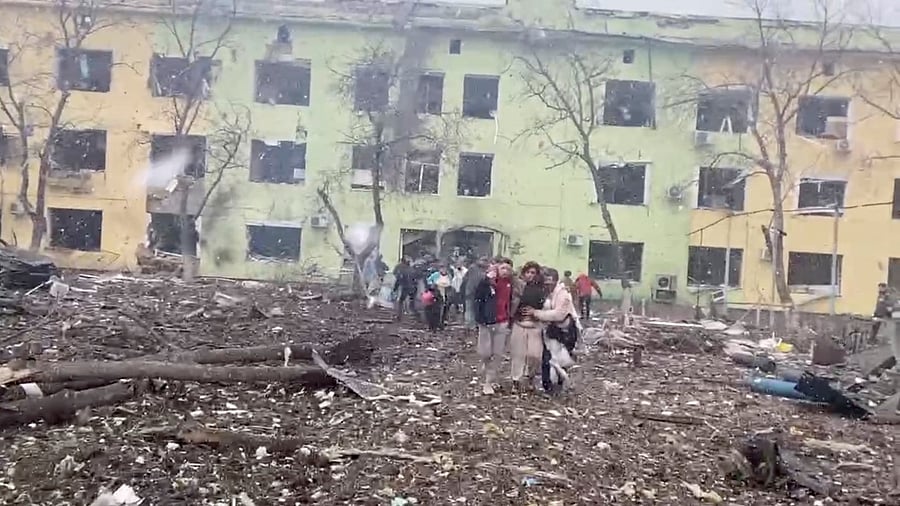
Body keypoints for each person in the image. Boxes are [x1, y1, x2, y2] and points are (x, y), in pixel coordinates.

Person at [530, 268, 581, 394]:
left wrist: (536, 313)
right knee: (549, 358)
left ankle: (557, 385)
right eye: (545, 281)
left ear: (556, 280)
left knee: (558, 359)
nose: (547, 284)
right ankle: (550, 386)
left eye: (550, 281)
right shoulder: (546, 292)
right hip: (550, 330)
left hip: (563, 331)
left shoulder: (563, 294)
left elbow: (559, 314)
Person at [473, 259, 514, 395]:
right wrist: (479, 319)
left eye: (508, 269)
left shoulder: (511, 284)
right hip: (487, 322)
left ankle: (488, 382)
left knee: (497, 354)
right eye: (503, 268)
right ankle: (485, 364)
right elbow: (478, 298)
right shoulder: (487, 282)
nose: (505, 272)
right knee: (485, 352)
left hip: (503, 321)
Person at [509, 261, 545, 390]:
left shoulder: (542, 290)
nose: (530, 275)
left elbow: (545, 307)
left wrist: (535, 313)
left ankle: (530, 377)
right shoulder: (518, 287)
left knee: (535, 355)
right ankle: (516, 380)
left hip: (535, 325)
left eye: (533, 273)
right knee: (518, 355)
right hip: (519, 324)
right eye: (528, 272)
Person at [463, 257, 488, 333]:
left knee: (476, 308)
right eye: (483, 260)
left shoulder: (485, 269)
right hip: (471, 291)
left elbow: (465, 278)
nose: (484, 263)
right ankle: (470, 325)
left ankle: (473, 324)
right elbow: (466, 278)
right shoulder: (473, 268)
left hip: (480, 292)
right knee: (470, 308)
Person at [393, 257, 418, 321]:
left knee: (400, 301)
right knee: (411, 300)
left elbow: (398, 279)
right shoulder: (412, 269)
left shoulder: (401, 269)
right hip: (413, 287)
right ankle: (413, 314)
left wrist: (395, 288)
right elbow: (415, 279)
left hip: (405, 287)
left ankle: (399, 316)